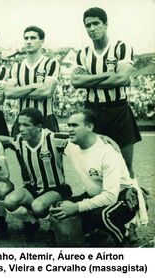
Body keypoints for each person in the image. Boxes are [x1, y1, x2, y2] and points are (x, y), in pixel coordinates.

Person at [50, 110, 147, 246]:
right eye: (68, 125)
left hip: (124, 198)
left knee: (101, 215)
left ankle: (123, 239)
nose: (69, 130)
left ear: (90, 127)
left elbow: (109, 197)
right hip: (96, 196)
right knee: (58, 207)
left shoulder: (107, 153)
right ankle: (96, 232)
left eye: (74, 126)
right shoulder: (71, 145)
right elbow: (45, 135)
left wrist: (77, 207)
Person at [71, 7, 141, 178]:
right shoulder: (82, 54)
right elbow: (75, 81)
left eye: (96, 23)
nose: (92, 29)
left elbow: (121, 79)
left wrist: (89, 80)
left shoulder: (121, 48)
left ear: (106, 24)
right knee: (95, 164)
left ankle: (134, 201)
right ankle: (103, 202)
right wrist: (107, 74)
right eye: (88, 25)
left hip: (118, 110)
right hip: (92, 112)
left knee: (125, 165)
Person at [0, 108, 72, 240]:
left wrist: (104, 138)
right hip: (34, 189)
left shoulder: (53, 138)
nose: (21, 129)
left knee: (37, 206)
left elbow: (79, 138)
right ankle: (32, 222)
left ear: (38, 127)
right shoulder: (20, 140)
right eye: (19, 124)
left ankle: (56, 225)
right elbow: (3, 140)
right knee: (9, 201)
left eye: (26, 125)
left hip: (57, 189)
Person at [6, 26, 60, 136]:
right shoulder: (17, 66)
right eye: (26, 38)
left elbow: (46, 92)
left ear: (41, 41)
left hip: (45, 118)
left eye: (33, 38)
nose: (28, 42)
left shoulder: (51, 64)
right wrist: (33, 86)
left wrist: (19, 92)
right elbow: (8, 93)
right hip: (22, 120)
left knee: (48, 151)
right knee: (20, 151)